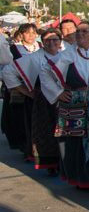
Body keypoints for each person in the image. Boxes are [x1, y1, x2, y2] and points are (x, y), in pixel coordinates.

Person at [41, 21, 89, 198]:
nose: (80, 34)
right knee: (77, 144)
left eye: (85, 31)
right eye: (78, 31)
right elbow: (45, 72)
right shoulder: (66, 55)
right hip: (75, 105)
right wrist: (58, 93)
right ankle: (82, 179)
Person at [2, 28, 62, 173]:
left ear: (60, 41)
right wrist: (26, 92)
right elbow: (7, 72)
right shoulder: (34, 57)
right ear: (42, 42)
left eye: (55, 39)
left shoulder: (66, 56)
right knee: (46, 132)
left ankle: (64, 162)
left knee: (64, 132)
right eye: (47, 40)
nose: (51, 43)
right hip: (42, 101)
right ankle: (51, 165)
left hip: (64, 99)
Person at [1, 22, 39, 154]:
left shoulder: (40, 47)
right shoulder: (14, 49)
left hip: (37, 88)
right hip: (19, 87)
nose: (30, 35)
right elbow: (6, 70)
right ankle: (24, 147)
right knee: (20, 118)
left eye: (33, 32)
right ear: (21, 34)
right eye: (27, 32)